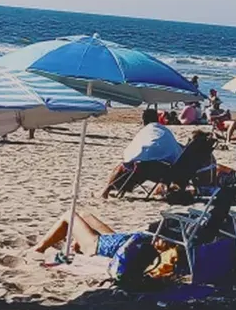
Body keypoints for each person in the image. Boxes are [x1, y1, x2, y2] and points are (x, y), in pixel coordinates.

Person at [32, 209, 179, 278]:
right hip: (128, 242)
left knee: (69, 215)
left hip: (120, 247)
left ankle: (39, 249)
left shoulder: (175, 244)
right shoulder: (191, 232)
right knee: (85, 215)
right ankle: (79, 243)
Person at [101, 108, 183, 198]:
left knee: (123, 166)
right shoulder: (165, 131)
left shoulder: (146, 131)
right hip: (165, 172)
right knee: (149, 162)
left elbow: (130, 153)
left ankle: (106, 190)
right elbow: (176, 151)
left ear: (144, 121)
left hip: (143, 169)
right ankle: (163, 187)